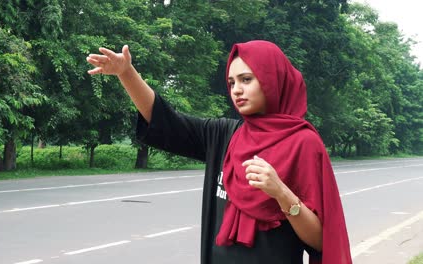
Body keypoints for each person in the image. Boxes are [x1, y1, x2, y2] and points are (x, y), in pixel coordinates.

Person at [86, 40, 352, 264]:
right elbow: (165, 120)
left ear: (272, 79)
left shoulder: (303, 143)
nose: (236, 89)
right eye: (232, 81)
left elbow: (321, 239)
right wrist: (127, 73)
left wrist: (281, 193)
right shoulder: (225, 135)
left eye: (247, 79)